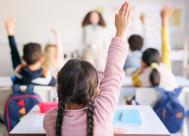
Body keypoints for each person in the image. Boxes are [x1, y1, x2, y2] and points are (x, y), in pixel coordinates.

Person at [43, 2, 131, 136]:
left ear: (59, 87)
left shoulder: (50, 120)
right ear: (97, 92)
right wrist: (121, 31)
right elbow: (113, 73)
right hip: (90, 54)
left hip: (97, 55)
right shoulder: (103, 113)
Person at [132, 1, 178, 90]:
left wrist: (140, 71)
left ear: (142, 63)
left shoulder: (139, 78)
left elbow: (133, 78)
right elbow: (166, 46)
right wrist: (164, 20)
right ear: (159, 59)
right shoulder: (165, 66)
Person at [4, 18, 56, 86]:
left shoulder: (18, 72)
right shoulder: (48, 79)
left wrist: (10, 32)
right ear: (42, 59)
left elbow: (14, 51)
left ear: (22, 58)